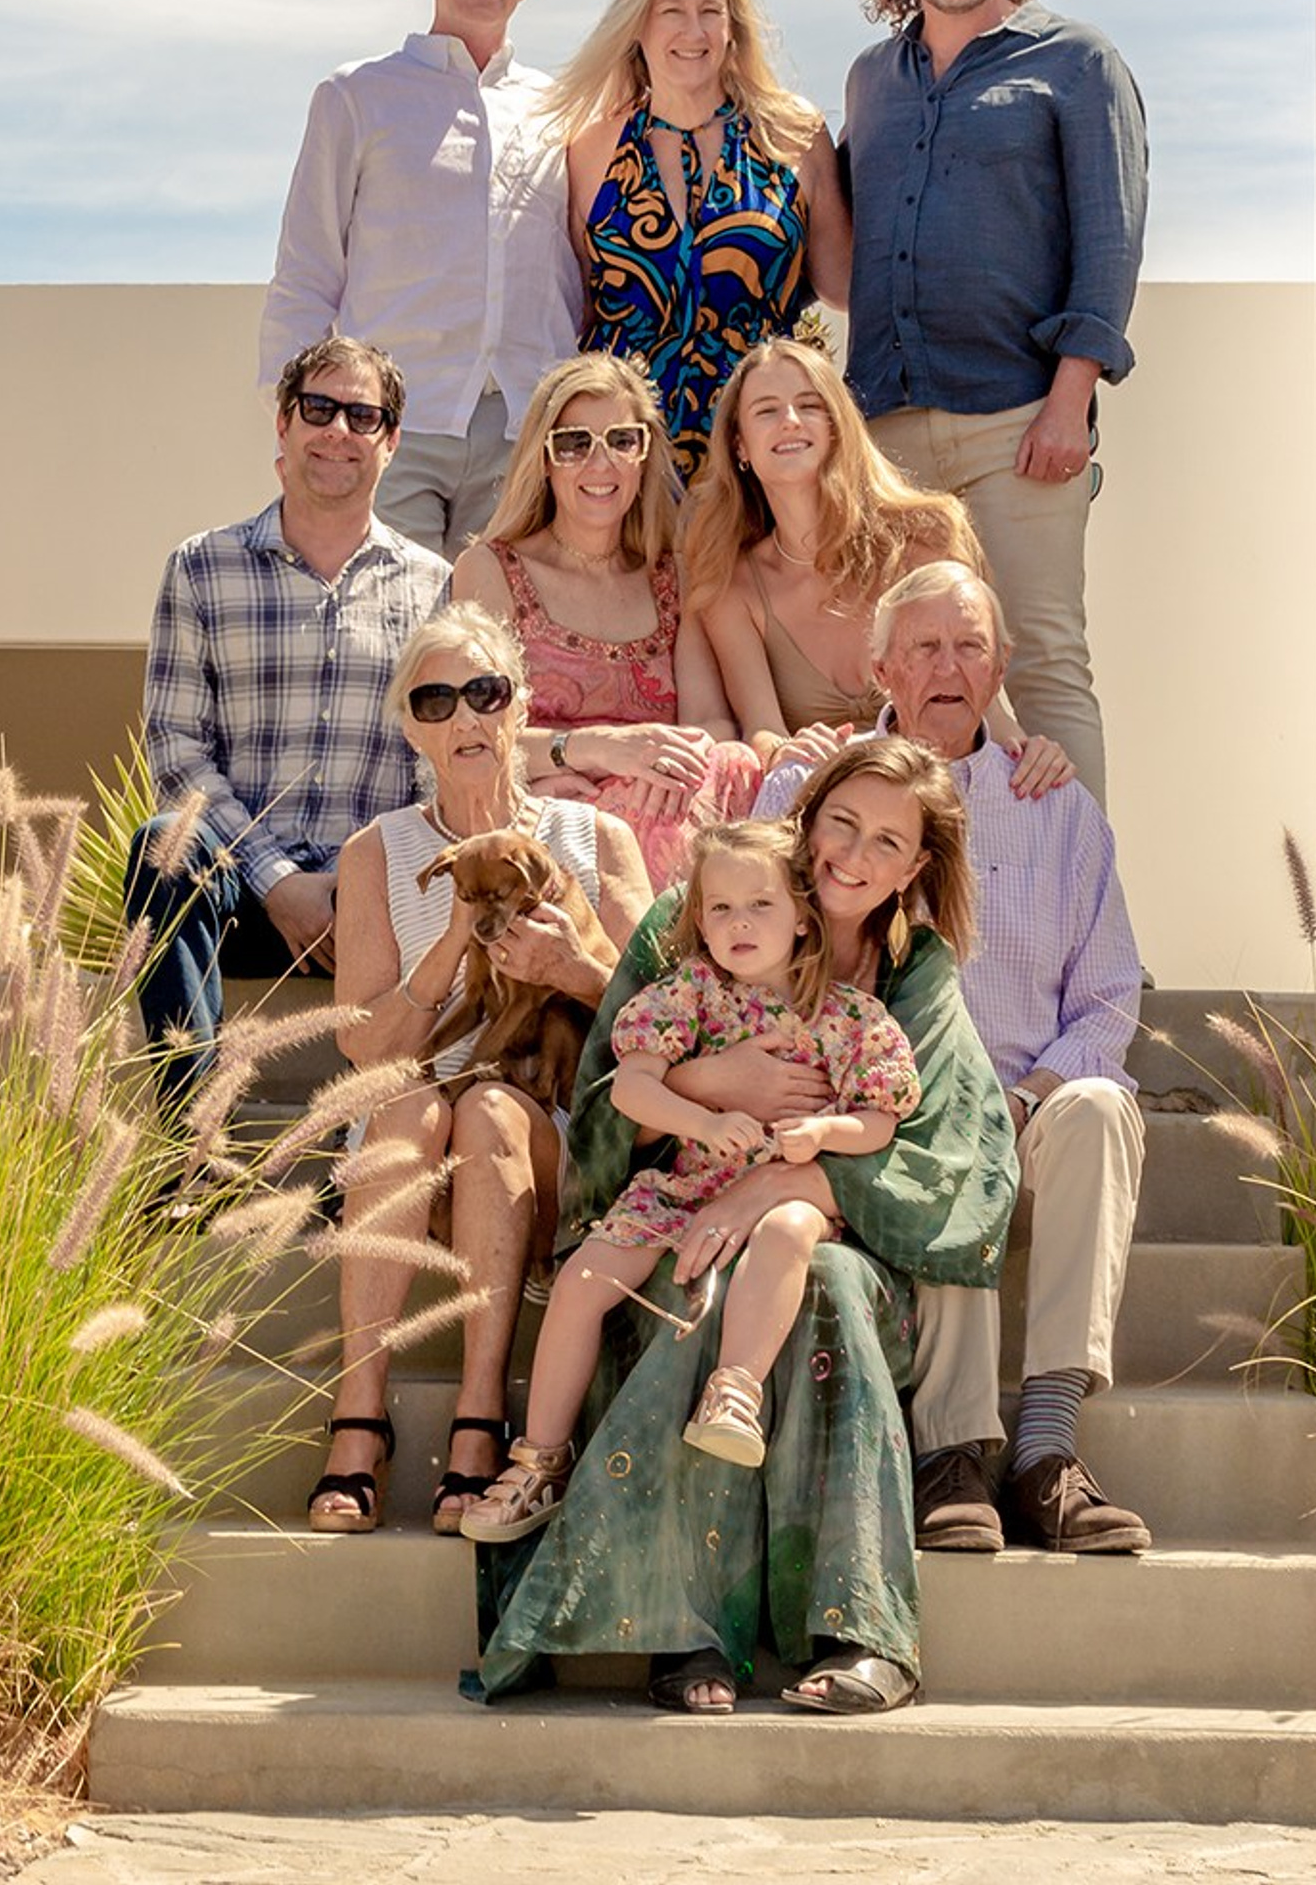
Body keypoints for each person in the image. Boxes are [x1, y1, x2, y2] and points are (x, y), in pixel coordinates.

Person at [474, 735, 1016, 1719]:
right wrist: (706, 1084)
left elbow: (945, 1147)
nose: (852, 853)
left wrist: (771, 1182)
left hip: (836, 1230)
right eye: (838, 822)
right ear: (805, 822)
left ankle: (859, 1627)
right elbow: (608, 1100)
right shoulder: (702, 920)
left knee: (830, 1291)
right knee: (687, 1283)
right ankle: (683, 1624)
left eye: (885, 841)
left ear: (914, 870)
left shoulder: (911, 978)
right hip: (672, 1199)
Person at [755, 560, 1148, 1554]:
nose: (947, 664)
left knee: (1098, 1103)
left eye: (969, 643)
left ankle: (1046, 1449)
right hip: (871, 1117)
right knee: (950, 1125)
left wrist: (1023, 1099)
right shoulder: (810, 793)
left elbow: (1105, 1006)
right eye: (923, 645)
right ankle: (953, 1450)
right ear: (878, 665)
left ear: (1002, 663)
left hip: (1031, 1111)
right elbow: (749, 958)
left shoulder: (1057, 809)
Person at [463, 819, 918, 1540]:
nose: (739, 923)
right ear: (698, 920)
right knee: (585, 1280)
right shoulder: (690, 996)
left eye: (760, 905)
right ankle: (541, 1459)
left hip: (785, 1186)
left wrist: (825, 1133)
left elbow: (880, 1118)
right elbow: (630, 1092)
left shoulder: (846, 1016)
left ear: (803, 915)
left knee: (790, 1230)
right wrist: (702, 1122)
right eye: (720, 908)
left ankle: (734, 1392)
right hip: (684, 1187)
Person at [316, 606, 648, 1536]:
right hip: (416, 1129)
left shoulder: (594, 839)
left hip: (544, 1122)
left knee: (493, 1111)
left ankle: (477, 1415)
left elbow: (670, 1007)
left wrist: (570, 969)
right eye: (435, 699)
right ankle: (359, 1413)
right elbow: (362, 1046)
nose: (463, 718)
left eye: (484, 693)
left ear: (520, 706)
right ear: (411, 726)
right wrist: (458, 930)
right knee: (409, 1108)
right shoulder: (378, 853)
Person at [838, 0, 1148, 805]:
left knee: (1042, 662)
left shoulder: (1077, 63)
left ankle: (1093, 939)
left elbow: (1111, 238)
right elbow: (837, 233)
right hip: (884, 431)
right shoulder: (870, 82)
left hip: (1021, 423)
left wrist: (1070, 400)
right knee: (894, 673)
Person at [125, 335, 448, 1108]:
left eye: (362, 416)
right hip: (239, 891)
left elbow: (435, 764)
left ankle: (369, 1147)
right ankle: (191, 1143)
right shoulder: (202, 567)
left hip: (377, 900)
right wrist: (277, 882)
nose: (339, 430)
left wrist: (356, 887)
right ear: (282, 422)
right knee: (163, 849)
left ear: (391, 440)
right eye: (319, 408)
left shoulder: (434, 586)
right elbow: (176, 750)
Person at [259, 0, 579, 552]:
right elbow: (307, 272)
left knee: (498, 653)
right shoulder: (356, 97)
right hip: (391, 427)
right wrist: (295, 421)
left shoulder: (562, 111)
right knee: (388, 651)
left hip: (523, 437)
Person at [546, 0, 851, 480]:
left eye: (711, 10)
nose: (694, 31)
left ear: (733, 27)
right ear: (637, 24)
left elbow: (842, 285)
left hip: (758, 446)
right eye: (672, 11)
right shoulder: (590, 149)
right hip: (625, 455)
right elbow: (580, 312)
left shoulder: (793, 134)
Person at [450, 353, 758, 892]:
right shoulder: (491, 569)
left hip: (665, 802)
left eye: (621, 440)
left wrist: (660, 771)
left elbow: (711, 720)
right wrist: (598, 750)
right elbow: (471, 735)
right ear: (543, 460)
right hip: (550, 809)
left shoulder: (672, 573)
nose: (600, 463)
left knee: (733, 761)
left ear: (644, 456)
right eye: (573, 443)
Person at [683, 338, 989, 772]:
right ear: (740, 447)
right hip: (827, 811)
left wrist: (1030, 749)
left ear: (834, 427)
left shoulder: (925, 544)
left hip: (945, 790)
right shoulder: (733, 587)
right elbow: (761, 728)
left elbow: (984, 708)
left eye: (808, 405)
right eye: (767, 410)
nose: (789, 421)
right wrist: (779, 751)